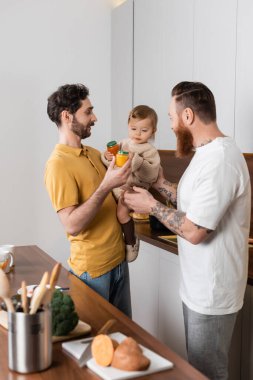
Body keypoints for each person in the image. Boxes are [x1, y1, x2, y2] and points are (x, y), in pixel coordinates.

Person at [123, 81, 251, 379]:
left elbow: (194, 230)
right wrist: (157, 184)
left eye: (171, 117)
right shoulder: (206, 152)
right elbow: (188, 199)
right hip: (197, 286)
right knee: (197, 368)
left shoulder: (221, 161)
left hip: (213, 291)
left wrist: (150, 206)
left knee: (207, 373)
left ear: (188, 116)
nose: (169, 125)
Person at [44, 83, 133, 317]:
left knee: (125, 340)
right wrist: (106, 186)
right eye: (87, 111)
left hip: (119, 263)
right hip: (93, 274)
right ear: (67, 116)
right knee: (95, 344)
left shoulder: (93, 153)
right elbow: (72, 225)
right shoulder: (58, 165)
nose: (94, 117)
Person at [101, 105, 160, 262]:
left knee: (121, 213)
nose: (137, 134)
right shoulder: (123, 143)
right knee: (103, 207)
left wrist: (137, 160)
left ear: (153, 131)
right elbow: (111, 165)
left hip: (134, 189)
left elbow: (152, 175)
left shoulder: (150, 151)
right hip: (118, 186)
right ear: (128, 126)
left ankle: (131, 240)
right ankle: (114, 240)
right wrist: (108, 157)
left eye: (144, 130)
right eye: (133, 128)